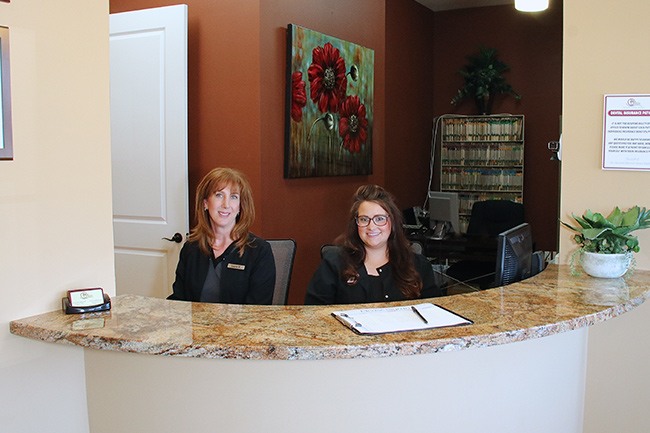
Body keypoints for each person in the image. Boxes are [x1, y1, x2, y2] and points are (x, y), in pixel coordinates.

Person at [305, 184, 443, 305]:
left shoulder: (418, 265)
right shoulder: (334, 264)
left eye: (380, 219)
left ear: (392, 222)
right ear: (356, 223)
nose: (371, 227)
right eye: (364, 219)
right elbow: (314, 314)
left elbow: (433, 313)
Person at [168, 167, 275, 304]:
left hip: (241, 325)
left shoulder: (259, 251)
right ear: (206, 203)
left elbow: (258, 313)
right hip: (195, 325)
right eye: (219, 195)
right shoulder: (191, 248)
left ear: (240, 207)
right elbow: (178, 301)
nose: (226, 204)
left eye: (233, 197)